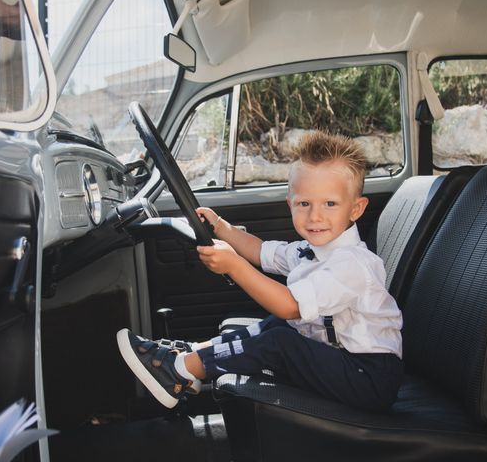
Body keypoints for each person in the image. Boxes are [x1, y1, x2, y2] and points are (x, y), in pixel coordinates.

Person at [117, 130, 403, 412]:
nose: (315, 216)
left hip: (369, 378)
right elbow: (261, 250)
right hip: (341, 360)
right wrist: (220, 227)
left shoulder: (352, 263)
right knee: (277, 325)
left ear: (356, 209)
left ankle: (178, 372)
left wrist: (235, 266)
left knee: (282, 339)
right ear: (290, 204)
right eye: (304, 204)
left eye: (330, 203)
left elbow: (290, 306)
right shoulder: (311, 250)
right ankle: (194, 354)